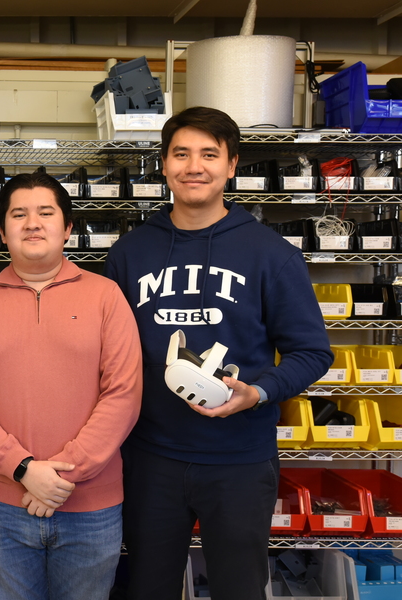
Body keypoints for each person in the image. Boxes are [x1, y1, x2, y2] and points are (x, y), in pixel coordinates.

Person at [103, 106, 334, 600]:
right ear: (163, 164)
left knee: (239, 589)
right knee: (147, 587)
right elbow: (103, 351)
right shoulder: (128, 254)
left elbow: (312, 351)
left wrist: (257, 392)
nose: (194, 166)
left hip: (240, 460)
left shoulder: (271, 254)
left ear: (231, 166)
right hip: (150, 457)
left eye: (209, 154)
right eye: (181, 153)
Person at [0, 172, 143, 600]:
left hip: (92, 507)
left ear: (68, 228)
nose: (32, 223)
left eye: (45, 213)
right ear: (2, 232)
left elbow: (123, 395)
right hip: (2, 506)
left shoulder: (107, 297)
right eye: (19, 214)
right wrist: (23, 469)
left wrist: (62, 476)